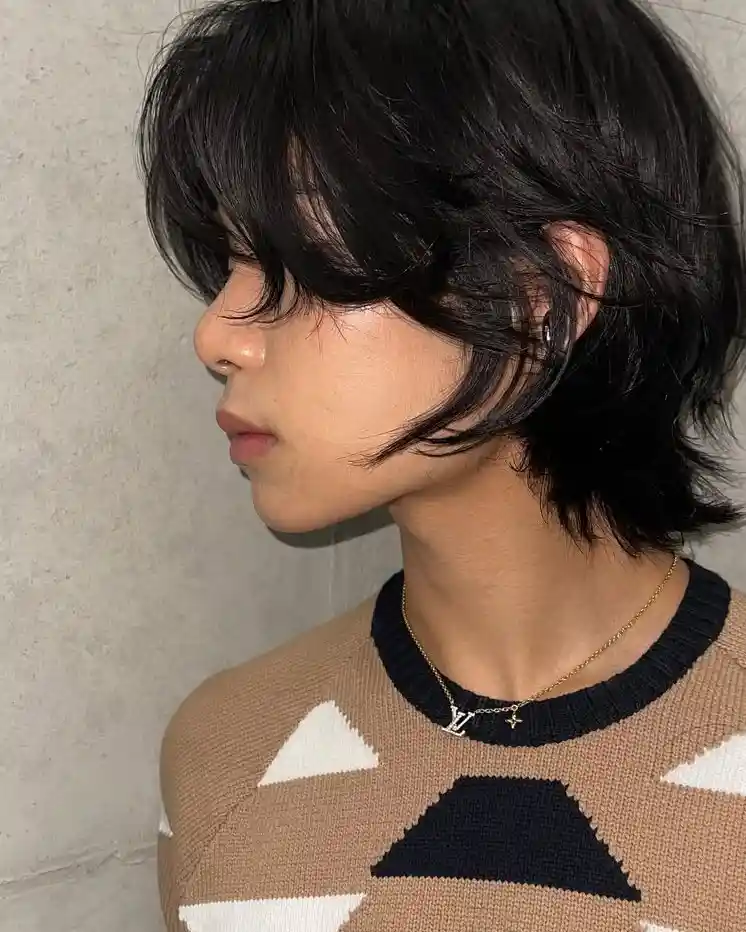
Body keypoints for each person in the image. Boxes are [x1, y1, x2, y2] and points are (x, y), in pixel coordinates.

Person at [138, 0, 746, 929]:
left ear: (543, 293)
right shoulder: (224, 751)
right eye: (231, 261)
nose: (217, 334)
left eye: (299, 265)